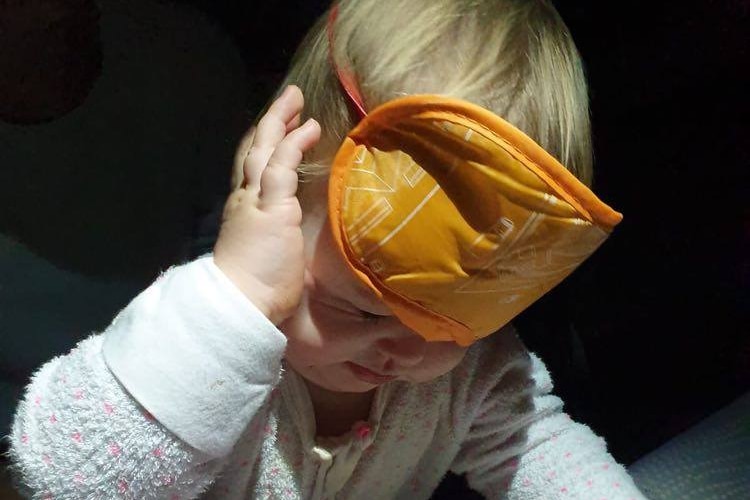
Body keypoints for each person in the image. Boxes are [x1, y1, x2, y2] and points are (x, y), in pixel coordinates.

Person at [3, 0, 648, 498]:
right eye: (365, 308)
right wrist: (236, 299)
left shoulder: (469, 375)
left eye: (454, 319)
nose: (411, 346)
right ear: (273, 190)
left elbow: (540, 448)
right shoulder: (202, 341)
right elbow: (63, 479)